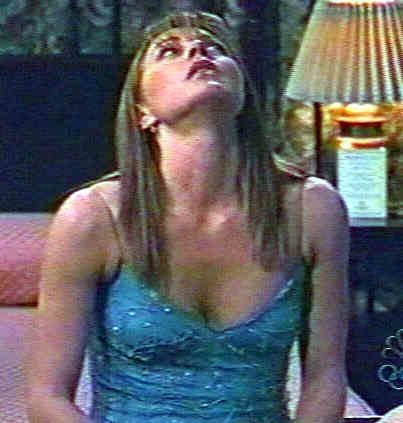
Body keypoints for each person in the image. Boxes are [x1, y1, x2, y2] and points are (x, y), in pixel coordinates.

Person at [27, 11, 349, 423]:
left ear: (242, 96)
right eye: (169, 51)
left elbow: (325, 379)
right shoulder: (92, 217)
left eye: (214, 48)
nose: (198, 51)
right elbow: (47, 398)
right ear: (142, 111)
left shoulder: (312, 209)